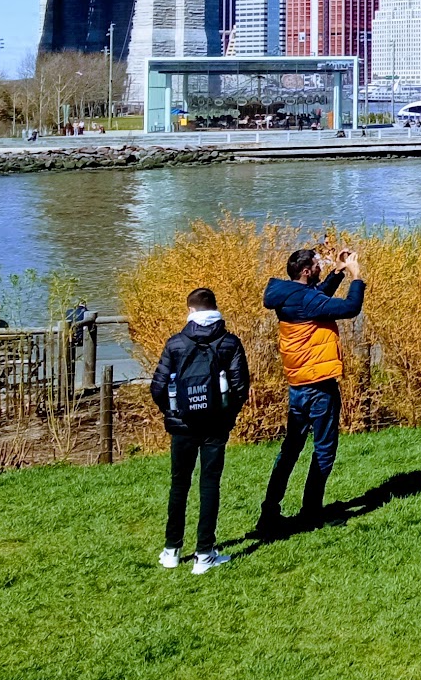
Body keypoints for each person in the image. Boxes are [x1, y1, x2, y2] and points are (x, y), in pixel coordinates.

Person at [256, 245, 366, 535]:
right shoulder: (307, 301)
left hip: (298, 386)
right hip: (319, 386)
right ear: (306, 271)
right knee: (324, 450)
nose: (322, 265)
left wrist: (337, 272)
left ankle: (269, 512)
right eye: (318, 263)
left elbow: (317, 298)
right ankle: (311, 512)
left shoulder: (288, 294)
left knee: (290, 450)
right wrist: (356, 278)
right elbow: (349, 308)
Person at [149, 287, 251, 574]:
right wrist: (227, 416)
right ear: (216, 310)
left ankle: (171, 550)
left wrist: (172, 414)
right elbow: (241, 386)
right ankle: (204, 554)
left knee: (179, 485)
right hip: (216, 427)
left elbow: (157, 387)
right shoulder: (230, 343)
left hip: (182, 426)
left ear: (191, 311)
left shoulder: (175, 344)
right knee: (209, 486)